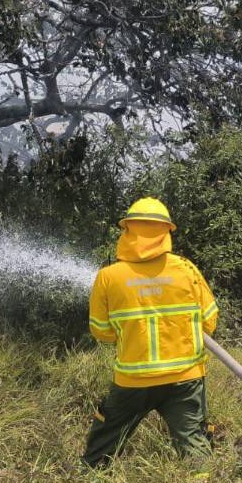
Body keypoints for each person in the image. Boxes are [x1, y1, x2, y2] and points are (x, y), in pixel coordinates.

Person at [81, 197, 219, 468]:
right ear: (166, 232)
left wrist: (131, 336)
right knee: (194, 441)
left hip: (133, 380)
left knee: (106, 437)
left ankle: (89, 480)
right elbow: (209, 321)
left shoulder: (109, 277)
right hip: (185, 378)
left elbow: (101, 331)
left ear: (128, 231)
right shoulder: (187, 270)